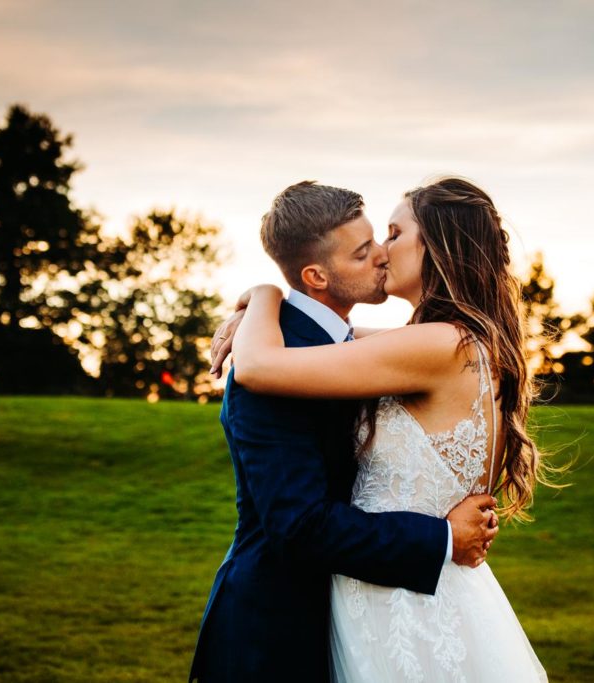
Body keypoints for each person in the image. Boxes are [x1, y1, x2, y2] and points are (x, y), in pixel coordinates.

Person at [230, 177, 550, 681]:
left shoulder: (435, 345)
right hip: (419, 587)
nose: (382, 251)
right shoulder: (449, 341)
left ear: (437, 250)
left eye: (395, 234)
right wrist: (266, 307)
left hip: (403, 602)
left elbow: (257, 366)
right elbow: (335, 334)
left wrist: (266, 293)